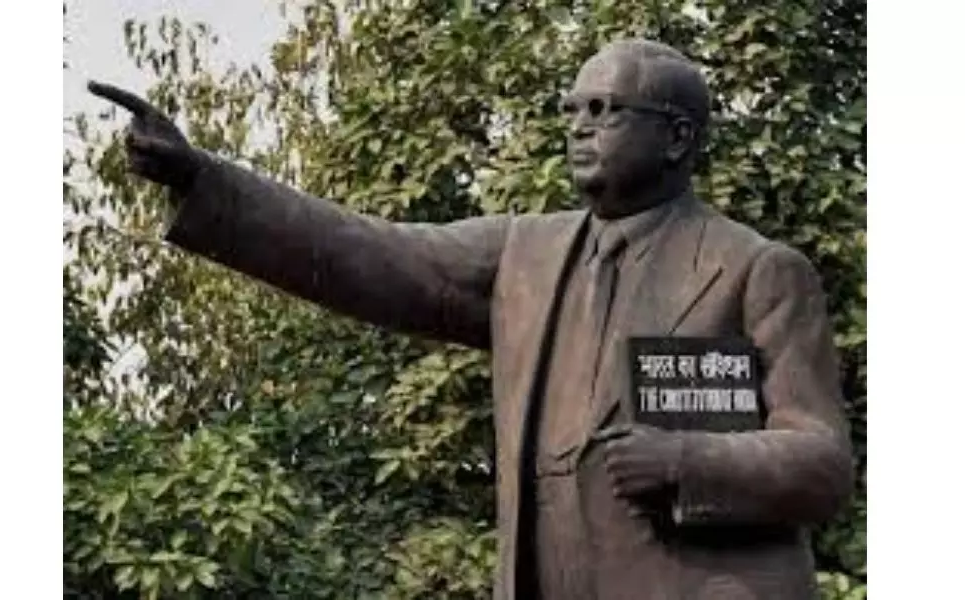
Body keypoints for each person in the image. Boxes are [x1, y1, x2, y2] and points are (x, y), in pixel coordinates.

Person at [89, 38, 853, 600]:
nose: (580, 127)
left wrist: (686, 462)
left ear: (678, 136)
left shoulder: (756, 269)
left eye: (606, 111)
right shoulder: (525, 252)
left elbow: (821, 464)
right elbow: (371, 250)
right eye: (573, 110)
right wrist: (204, 178)